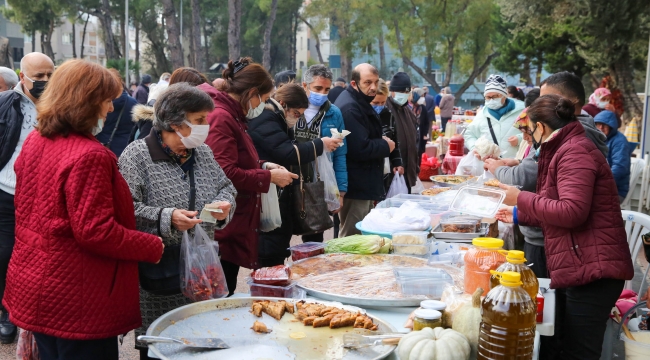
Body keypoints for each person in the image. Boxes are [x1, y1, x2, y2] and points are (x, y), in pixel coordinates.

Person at [4, 59, 164, 359]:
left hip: (38, 280)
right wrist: (152, 245)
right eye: (106, 101)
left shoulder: (37, 139)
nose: (111, 109)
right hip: (76, 293)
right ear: (85, 103)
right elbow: (96, 231)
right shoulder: (90, 156)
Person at [496, 94, 634, 360]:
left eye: (530, 128)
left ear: (541, 127)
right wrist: (517, 213)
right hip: (581, 263)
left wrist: (521, 198)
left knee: (578, 351)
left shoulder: (574, 151)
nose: (529, 136)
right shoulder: (564, 147)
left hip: (595, 269)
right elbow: (555, 207)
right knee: (564, 343)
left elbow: (572, 212)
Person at [119, 83, 236, 360]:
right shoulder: (136, 156)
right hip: (160, 271)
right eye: (198, 120)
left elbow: (227, 186)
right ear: (175, 124)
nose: (205, 126)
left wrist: (224, 206)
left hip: (201, 268)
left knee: (199, 342)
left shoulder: (202, 152)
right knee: (162, 343)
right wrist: (166, 217)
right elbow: (125, 211)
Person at [200, 58, 297, 293]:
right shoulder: (222, 117)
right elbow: (224, 172)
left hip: (234, 219)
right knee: (221, 291)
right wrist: (268, 178)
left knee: (226, 286)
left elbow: (236, 159)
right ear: (252, 93)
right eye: (263, 100)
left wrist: (263, 165)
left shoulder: (233, 115)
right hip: (225, 223)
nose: (263, 106)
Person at [249, 83, 341, 265]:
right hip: (269, 192)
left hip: (276, 192)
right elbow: (288, 152)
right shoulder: (267, 118)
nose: (296, 119)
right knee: (270, 251)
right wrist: (320, 144)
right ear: (283, 103)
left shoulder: (275, 118)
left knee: (276, 246)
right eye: (296, 114)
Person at [0, 52, 54, 344]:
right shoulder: (5, 103)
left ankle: (27, 315)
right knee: (4, 254)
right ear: (23, 77)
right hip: (6, 192)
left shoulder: (60, 104)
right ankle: (6, 313)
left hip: (41, 197)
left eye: (50, 75)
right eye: (39, 77)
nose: (45, 81)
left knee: (35, 258)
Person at [334, 63, 395, 237]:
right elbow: (359, 148)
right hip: (356, 184)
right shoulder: (351, 107)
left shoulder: (359, 102)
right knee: (353, 238)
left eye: (375, 82)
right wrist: (385, 146)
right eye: (368, 82)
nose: (373, 87)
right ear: (354, 84)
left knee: (361, 235)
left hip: (363, 182)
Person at [299, 64, 348, 243]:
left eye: (327, 89)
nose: (322, 93)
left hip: (320, 181)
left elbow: (341, 153)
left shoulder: (334, 113)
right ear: (305, 86)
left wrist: (340, 192)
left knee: (314, 236)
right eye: (317, 88)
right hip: (293, 179)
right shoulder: (293, 109)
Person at [540, 71, 608, 156]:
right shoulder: (581, 128)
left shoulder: (575, 134)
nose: (542, 104)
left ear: (575, 99)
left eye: (549, 98)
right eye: (541, 100)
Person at [464, 74, 524, 159]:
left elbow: (534, 133)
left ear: (504, 95)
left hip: (514, 166)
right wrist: (475, 148)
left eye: (495, 96)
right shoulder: (482, 115)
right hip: (489, 167)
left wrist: (519, 139)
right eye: (488, 97)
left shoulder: (522, 112)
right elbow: (469, 135)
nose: (491, 100)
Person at [382, 73, 416, 191]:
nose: (404, 95)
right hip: (391, 173)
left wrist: (414, 168)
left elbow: (413, 141)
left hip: (407, 172)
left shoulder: (408, 111)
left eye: (407, 92)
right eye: (401, 92)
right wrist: (393, 164)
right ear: (392, 91)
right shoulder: (385, 109)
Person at [95, 72, 139, 157]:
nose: (111, 108)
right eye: (108, 102)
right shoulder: (132, 103)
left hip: (102, 146)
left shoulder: (99, 103)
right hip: (125, 149)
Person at [594, 110, 631, 202]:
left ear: (612, 126)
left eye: (605, 125)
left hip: (615, 191)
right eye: (598, 124)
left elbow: (620, 167)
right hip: (599, 187)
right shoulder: (598, 139)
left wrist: (600, 184)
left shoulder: (619, 141)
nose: (601, 127)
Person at [373, 79, 403, 193]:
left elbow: (395, 140)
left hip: (385, 170)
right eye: (376, 103)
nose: (379, 106)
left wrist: (397, 162)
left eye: (383, 103)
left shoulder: (388, 115)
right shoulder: (362, 115)